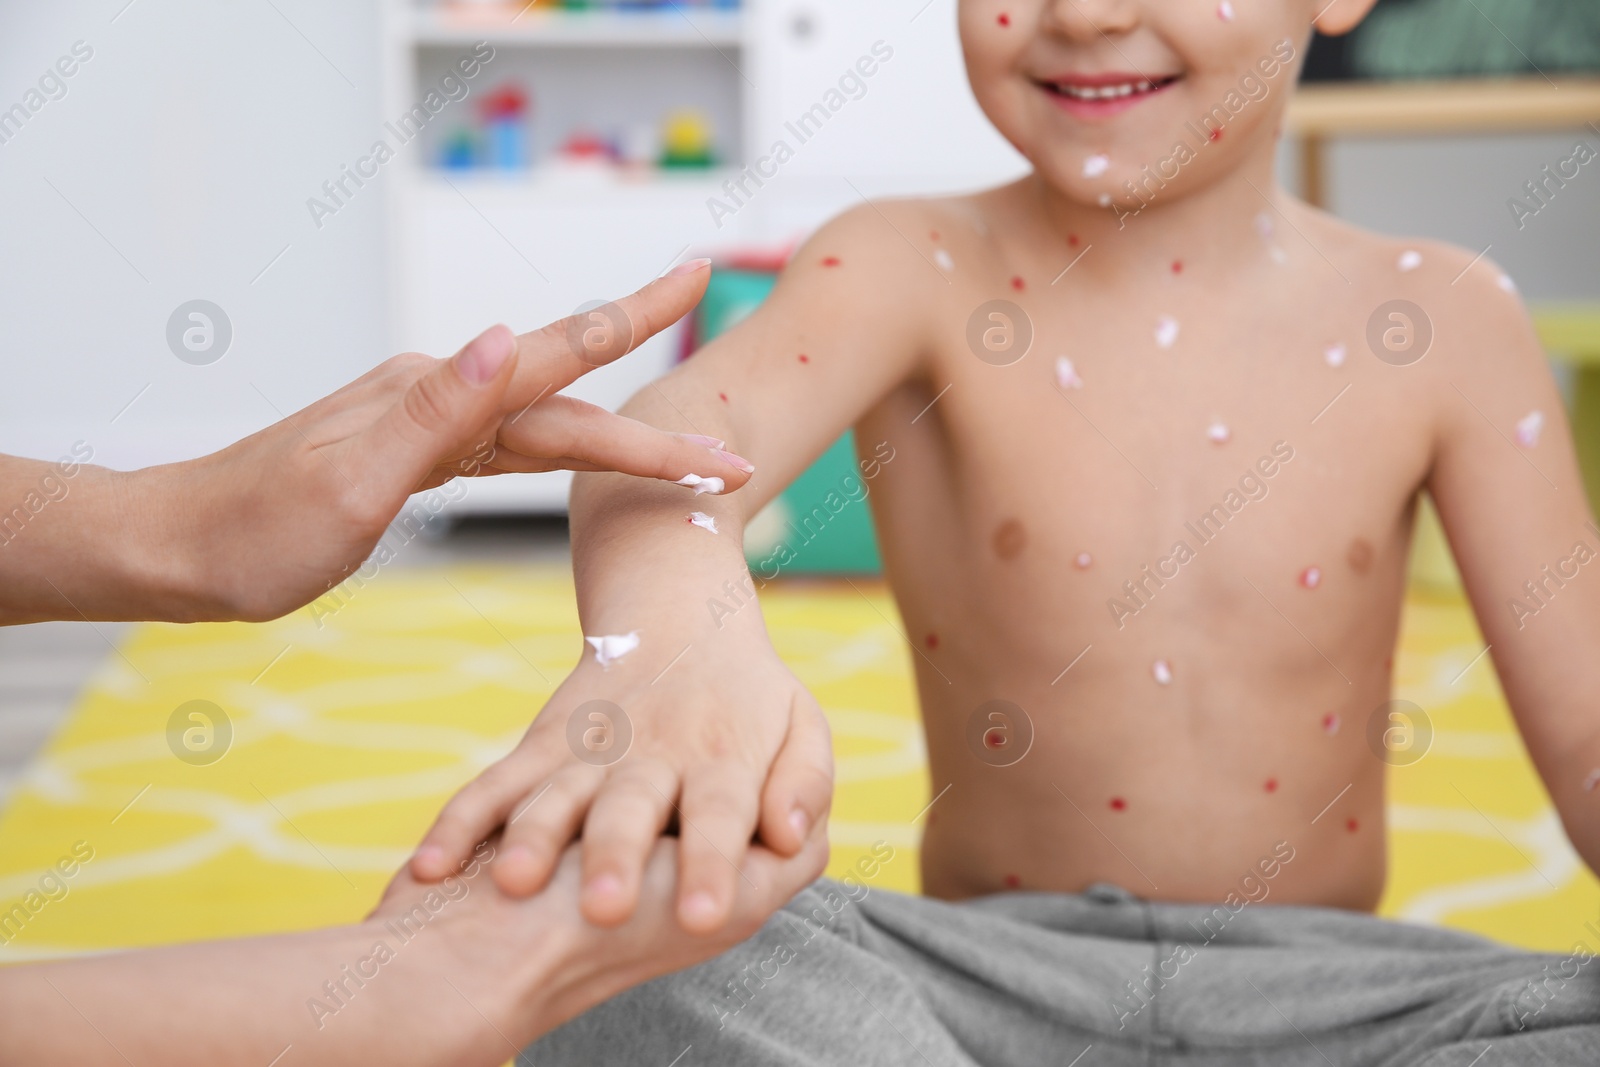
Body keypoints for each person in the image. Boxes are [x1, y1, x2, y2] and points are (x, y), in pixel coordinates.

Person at [410, 1, 1600, 1063]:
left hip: (1341, 1003)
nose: (1081, 14)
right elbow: (674, 433)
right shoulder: (906, 262)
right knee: (552, 905)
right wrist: (667, 643)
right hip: (968, 990)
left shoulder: (1445, 317)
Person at [0, 263, 829, 1066]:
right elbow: (687, 416)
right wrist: (672, 638)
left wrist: (183, 528)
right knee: (660, 936)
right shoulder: (899, 253)